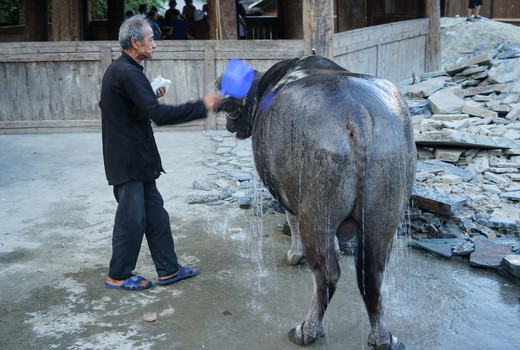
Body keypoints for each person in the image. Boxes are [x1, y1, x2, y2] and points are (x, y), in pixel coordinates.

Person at [99, 16, 221, 291]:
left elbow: (122, 106)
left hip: (139, 157)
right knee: (132, 220)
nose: (155, 44)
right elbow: (160, 116)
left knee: (155, 216)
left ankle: (169, 269)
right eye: (151, 38)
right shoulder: (127, 72)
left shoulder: (124, 69)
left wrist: (148, 94)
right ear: (135, 42)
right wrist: (203, 106)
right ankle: (117, 275)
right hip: (127, 159)